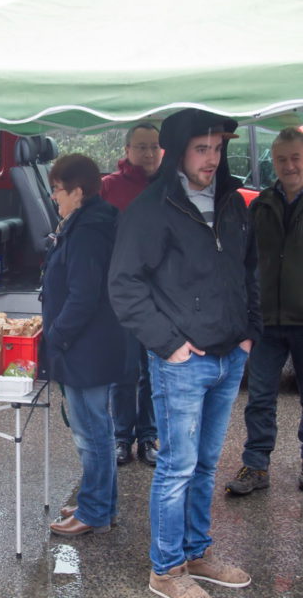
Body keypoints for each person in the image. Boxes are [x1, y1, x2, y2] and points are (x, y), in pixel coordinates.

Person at [108, 108, 262, 598]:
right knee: (176, 467)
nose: (212, 158)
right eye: (202, 148)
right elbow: (124, 285)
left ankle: (197, 553)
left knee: (207, 463)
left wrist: (248, 332)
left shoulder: (234, 203)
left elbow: (249, 269)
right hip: (183, 363)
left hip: (228, 354)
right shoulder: (152, 208)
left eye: (218, 149)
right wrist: (170, 345)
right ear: (178, 152)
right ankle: (166, 570)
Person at [41, 153, 128, 537]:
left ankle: (93, 512)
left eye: (57, 190)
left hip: (86, 348)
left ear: (77, 191)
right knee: (98, 430)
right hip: (94, 346)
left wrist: (55, 337)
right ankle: (100, 504)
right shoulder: (89, 220)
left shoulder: (89, 230)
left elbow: (83, 296)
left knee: (91, 433)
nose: (54, 197)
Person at [225, 127, 303, 496]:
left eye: (296, 158)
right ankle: (256, 466)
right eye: (282, 159)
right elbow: (244, 259)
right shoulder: (261, 205)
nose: (289, 166)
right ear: (274, 161)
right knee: (259, 397)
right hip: (267, 319)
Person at [101, 123, 162, 467]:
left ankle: (148, 437)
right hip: (121, 296)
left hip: (160, 297)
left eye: (154, 146)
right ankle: (121, 438)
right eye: (141, 147)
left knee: (153, 371)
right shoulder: (109, 187)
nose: (149, 153)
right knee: (124, 371)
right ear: (126, 150)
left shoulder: (170, 185)